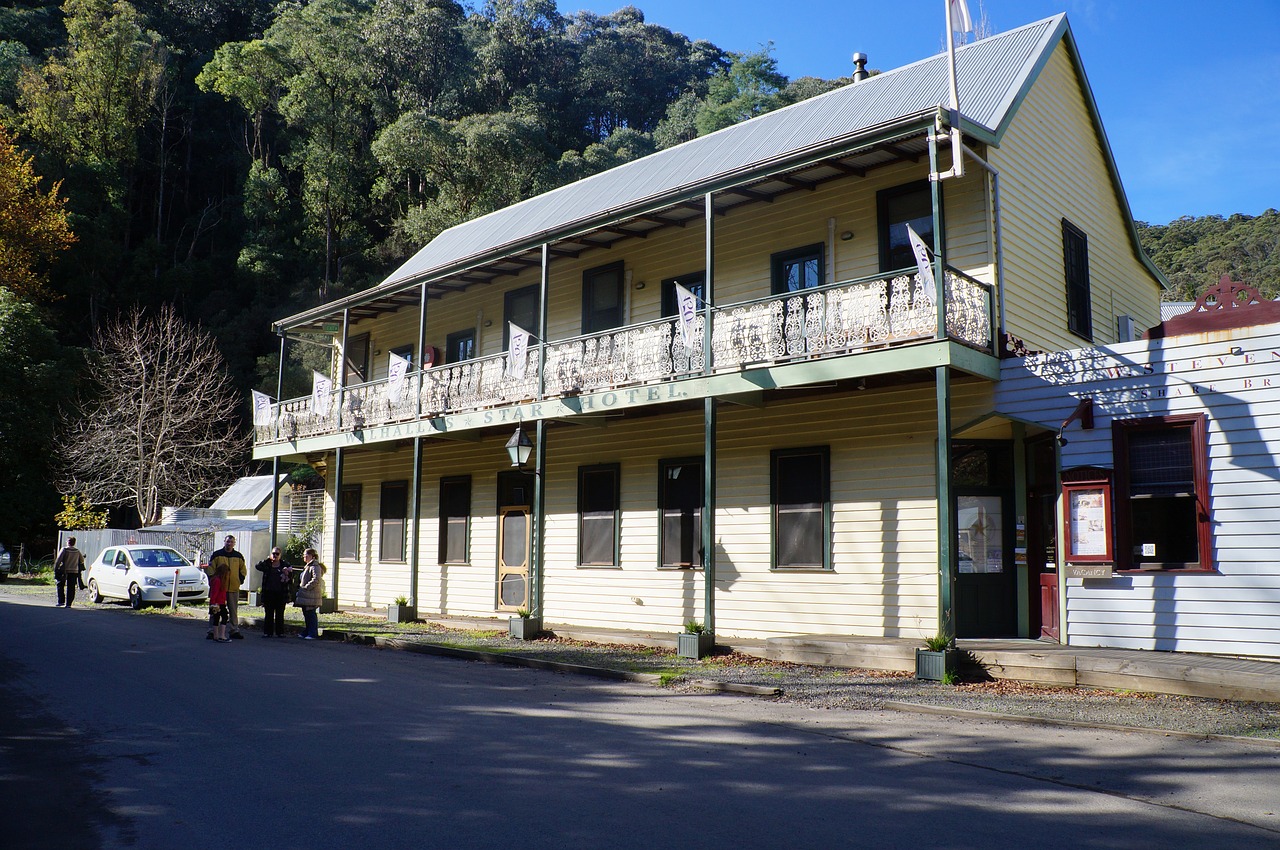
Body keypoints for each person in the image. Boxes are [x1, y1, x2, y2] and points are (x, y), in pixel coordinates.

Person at [207, 535, 247, 638]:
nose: (229, 543)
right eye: (227, 541)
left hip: (233, 588)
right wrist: (213, 580)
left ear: (234, 543)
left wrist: (239, 580)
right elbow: (211, 569)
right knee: (215, 609)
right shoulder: (217, 555)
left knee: (233, 610)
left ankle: (234, 630)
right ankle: (212, 631)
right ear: (224, 542)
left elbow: (243, 570)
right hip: (219, 589)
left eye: (231, 542)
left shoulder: (238, 556)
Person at [255, 546, 292, 637]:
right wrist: (268, 560)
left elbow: (290, 579)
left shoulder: (284, 564)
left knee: (280, 614)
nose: (275, 555)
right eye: (273, 553)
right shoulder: (267, 564)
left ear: (280, 555)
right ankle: (268, 632)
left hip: (280, 593)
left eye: (277, 554)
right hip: (269, 593)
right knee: (269, 613)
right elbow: (257, 566)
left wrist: (287, 573)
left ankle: (280, 632)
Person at [295, 548, 327, 640]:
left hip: (311, 596)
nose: (304, 557)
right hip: (306, 596)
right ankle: (307, 631)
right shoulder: (308, 566)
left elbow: (316, 579)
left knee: (311, 614)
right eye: (304, 555)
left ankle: (313, 633)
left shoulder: (315, 566)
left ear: (312, 556)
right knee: (306, 614)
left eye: (306, 555)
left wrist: (306, 587)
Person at [53, 537, 87, 608]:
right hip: (74, 571)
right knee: (71, 588)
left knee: (60, 585)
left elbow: (58, 560)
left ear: (67, 542)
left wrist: (56, 568)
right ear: (74, 542)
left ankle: (61, 601)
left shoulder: (64, 550)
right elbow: (82, 560)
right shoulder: (77, 551)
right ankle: (68, 604)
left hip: (64, 571)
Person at [208, 563, 231, 642]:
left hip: (217, 602)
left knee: (216, 618)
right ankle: (222, 635)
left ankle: (216, 635)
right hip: (218, 603)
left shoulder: (216, 580)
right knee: (224, 617)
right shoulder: (218, 581)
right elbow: (215, 593)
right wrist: (214, 603)